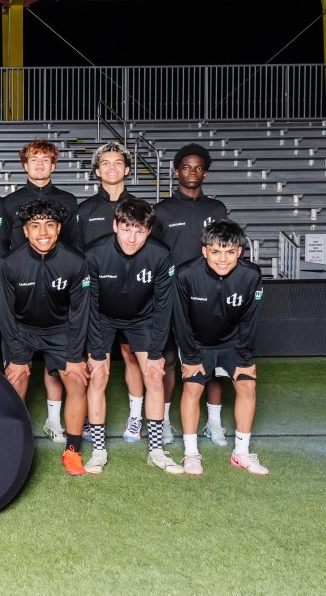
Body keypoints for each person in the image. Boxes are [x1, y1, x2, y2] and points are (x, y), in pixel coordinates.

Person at [84, 198, 182, 474]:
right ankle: (98, 451)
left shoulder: (160, 255)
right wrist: (96, 350)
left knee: (154, 375)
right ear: (115, 226)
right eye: (126, 229)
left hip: (143, 318)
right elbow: (89, 305)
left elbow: (163, 307)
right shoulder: (94, 253)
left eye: (140, 231)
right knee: (98, 375)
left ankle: (156, 451)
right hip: (102, 317)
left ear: (149, 231)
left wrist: (155, 353)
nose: (132, 238)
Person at [0, 199, 90, 476]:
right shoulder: (10, 263)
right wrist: (16, 357)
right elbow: (6, 313)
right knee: (15, 379)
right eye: (35, 226)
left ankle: (72, 451)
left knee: (77, 380)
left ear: (59, 228)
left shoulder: (75, 262)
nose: (43, 232)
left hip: (60, 330)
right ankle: (12, 447)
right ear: (25, 231)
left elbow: (79, 313)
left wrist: (74, 356)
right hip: (22, 330)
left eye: (50, 225)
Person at [0, 139, 82, 443]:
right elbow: (2, 245)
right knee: (17, 373)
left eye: (45, 159)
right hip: (25, 285)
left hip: (57, 291)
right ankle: (14, 438)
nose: (39, 164)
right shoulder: (10, 202)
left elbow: (74, 246)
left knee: (59, 371)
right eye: (34, 159)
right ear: (25, 165)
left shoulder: (68, 201)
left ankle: (56, 423)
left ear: (54, 165)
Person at [173, 220, 267, 476]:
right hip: (197, 342)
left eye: (230, 252)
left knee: (247, 386)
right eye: (216, 252)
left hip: (232, 342)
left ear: (240, 252)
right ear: (204, 251)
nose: (223, 259)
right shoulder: (185, 274)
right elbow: (180, 320)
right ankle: (191, 453)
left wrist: (245, 358)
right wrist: (191, 356)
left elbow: (249, 320)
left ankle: (241, 452)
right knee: (193, 387)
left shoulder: (251, 275)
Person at [154, 143, 229, 447]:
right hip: (172, 295)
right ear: (176, 172)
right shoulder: (161, 210)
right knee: (169, 359)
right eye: (186, 167)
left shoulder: (217, 209)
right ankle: (165, 422)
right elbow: (155, 256)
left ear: (205, 173)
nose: (192, 172)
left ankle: (213, 423)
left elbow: (226, 250)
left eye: (199, 167)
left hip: (210, 296)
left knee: (212, 360)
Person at [76, 142, 146, 443]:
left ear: (127, 169)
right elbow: (78, 257)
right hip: (97, 302)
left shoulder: (142, 208)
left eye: (118, 163)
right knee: (95, 361)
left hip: (133, 300)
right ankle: (92, 419)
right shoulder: (84, 210)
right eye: (105, 163)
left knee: (132, 358)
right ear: (97, 170)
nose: (112, 168)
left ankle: (136, 417)